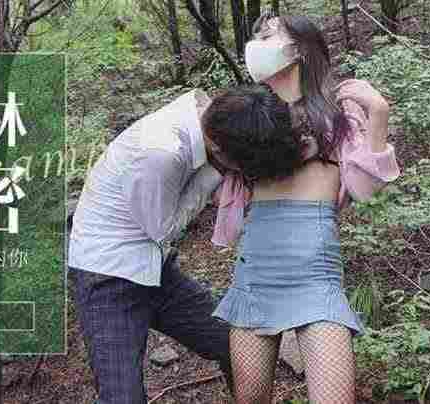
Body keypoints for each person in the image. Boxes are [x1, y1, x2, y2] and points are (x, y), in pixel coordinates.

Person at [205, 14, 402, 404]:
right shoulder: (247, 112)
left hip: (316, 277)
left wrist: (378, 112)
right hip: (255, 274)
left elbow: (364, 190)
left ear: (299, 50)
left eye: (267, 35)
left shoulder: (339, 116)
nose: (257, 42)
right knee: (250, 399)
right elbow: (221, 174)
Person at [68, 86, 295, 404]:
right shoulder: (160, 151)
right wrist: (214, 173)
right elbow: (163, 229)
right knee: (123, 397)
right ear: (220, 149)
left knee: (233, 345)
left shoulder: (209, 117)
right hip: (107, 274)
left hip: (154, 268)